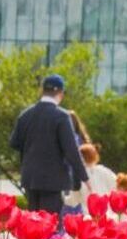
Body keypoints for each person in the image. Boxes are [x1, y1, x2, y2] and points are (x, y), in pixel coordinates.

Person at [9, 74, 89, 218]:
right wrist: (85, 178)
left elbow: (14, 143)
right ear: (60, 94)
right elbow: (71, 151)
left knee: (33, 223)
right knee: (50, 225)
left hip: (30, 179)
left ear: (42, 91)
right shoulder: (61, 116)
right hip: (53, 181)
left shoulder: (26, 115)